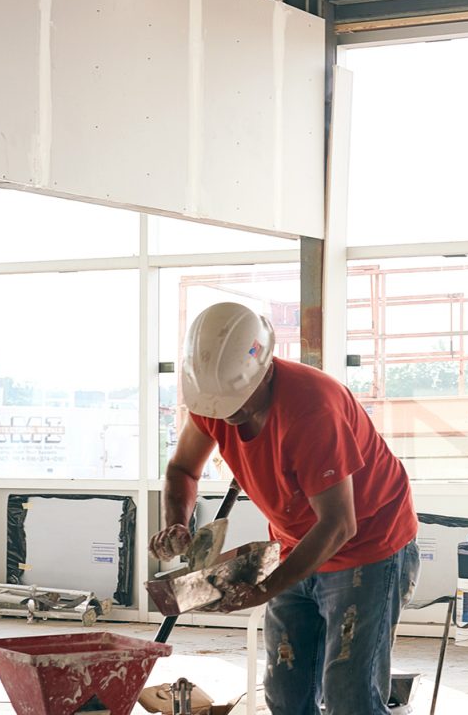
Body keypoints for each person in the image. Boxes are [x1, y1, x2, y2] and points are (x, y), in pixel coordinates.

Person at [151, 302, 420, 715]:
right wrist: (177, 523)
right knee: (286, 693)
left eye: (236, 402)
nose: (228, 415)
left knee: (350, 695)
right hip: (295, 543)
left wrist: (263, 588)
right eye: (218, 406)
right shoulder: (215, 400)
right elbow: (183, 469)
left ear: (264, 369)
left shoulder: (313, 408)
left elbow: (338, 524)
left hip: (367, 546)